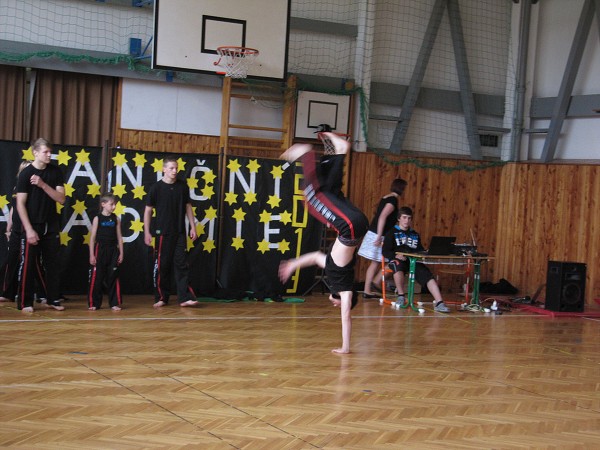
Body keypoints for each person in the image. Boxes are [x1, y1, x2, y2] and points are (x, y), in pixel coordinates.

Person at [278, 132, 369, 354]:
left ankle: (340, 151)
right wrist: (345, 347)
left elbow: (315, 258)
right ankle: (307, 154)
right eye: (336, 304)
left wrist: (292, 264)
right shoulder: (345, 289)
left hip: (354, 226)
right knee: (312, 198)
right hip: (350, 227)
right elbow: (346, 318)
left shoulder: (333, 270)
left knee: (329, 190)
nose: (335, 304)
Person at [15, 138, 66, 312]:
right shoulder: (25, 173)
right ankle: (25, 302)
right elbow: (20, 203)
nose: (49, 155)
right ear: (35, 152)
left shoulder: (55, 172)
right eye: (45, 152)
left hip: (51, 224)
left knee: (53, 264)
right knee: (28, 264)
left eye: (50, 152)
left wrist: (43, 185)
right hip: (32, 224)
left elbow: (61, 199)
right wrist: (28, 229)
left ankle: (52, 299)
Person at [144, 156, 198, 308]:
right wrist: (147, 232)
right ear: (164, 169)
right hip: (162, 233)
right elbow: (148, 211)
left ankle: (185, 297)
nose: (175, 171)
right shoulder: (156, 188)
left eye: (176, 168)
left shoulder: (182, 186)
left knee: (182, 264)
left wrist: (192, 227)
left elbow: (188, 207)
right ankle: (162, 297)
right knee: (162, 265)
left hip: (180, 232)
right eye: (171, 168)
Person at [382, 206, 451, 312]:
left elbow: (419, 249)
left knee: (427, 274)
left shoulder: (415, 234)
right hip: (398, 260)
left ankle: (439, 302)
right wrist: (395, 256)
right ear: (399, 218)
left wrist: (425, 253)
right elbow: (385, 251)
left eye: (409, 218)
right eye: (404, 217)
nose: (407, 220)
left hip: (413, 261)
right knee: (397, 265)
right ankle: (401, 295)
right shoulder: (391, 233)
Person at [358, 178, 407, 298]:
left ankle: (369, 288)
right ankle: (373, 284)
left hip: (376, 233)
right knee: (387, 261)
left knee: (376, 262)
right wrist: (380, 236)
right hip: (378, 234)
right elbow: (382, 217)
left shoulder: (386, 197)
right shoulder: (392, 200)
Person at [88, 193, 124, 311]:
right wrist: (92, 255)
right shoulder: (97, 218)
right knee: (97, 278)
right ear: (103, 204)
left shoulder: (116, 219)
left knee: (113, 277)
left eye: (115, 204)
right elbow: (92, 238)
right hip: (100, 249)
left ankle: (114, 303)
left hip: (113, 250)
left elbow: (119, 237)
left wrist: (121, 253)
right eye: (111, 204)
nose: (113, 207)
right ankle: (94, 303)